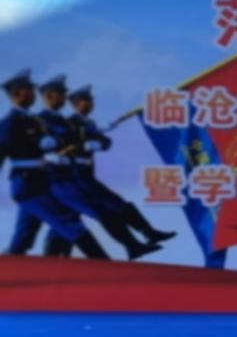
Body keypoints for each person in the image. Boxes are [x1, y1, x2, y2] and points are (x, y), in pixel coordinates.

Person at [28, 74, 160, 260]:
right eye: (61, 94)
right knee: (95, 213)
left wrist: (95, 137)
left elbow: (87, 139)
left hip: (73, 177)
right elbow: (32, 146)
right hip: (57, 179)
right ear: (49, 96)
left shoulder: (67, 122)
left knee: (69, 221)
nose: (65, 98)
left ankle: (54, 261)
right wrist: (52, 153)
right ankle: (130, 247)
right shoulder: (39, 121)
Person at [0, 69, 107, 259]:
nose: (34, 93)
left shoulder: (34, 120)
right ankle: (104, 263)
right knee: (67, 220)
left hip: (42, 182)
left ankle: (20, 264)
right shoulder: (10, 123)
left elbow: (59, 140)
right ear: (16, 93)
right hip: (27, 185)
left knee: (23, 238)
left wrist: (85, 136)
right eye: (28, 89)